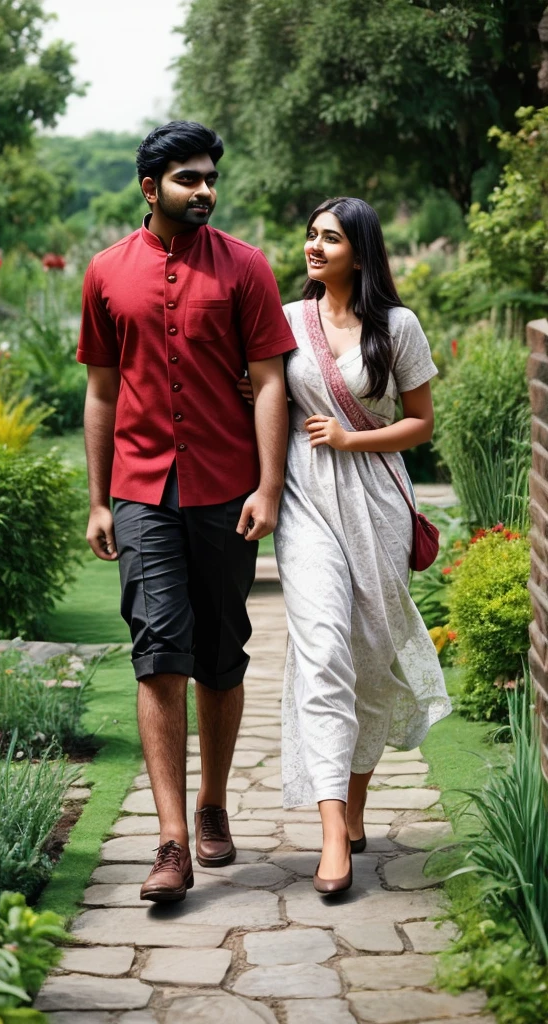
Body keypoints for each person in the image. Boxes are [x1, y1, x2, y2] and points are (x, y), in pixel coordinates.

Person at [77, 121, 297, 903]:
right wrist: (98, 499)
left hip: (225, 489)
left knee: (222, 651)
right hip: (142, 493)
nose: (204, 190)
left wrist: (267, 486)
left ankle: (212, 803)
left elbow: (270, 381)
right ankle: (171, 839)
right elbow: (101, 390)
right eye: (187, 180)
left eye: (210, 178)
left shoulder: (245, 267)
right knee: (158, 650)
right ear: (150, 188)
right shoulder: (106, 273)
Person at [240, 197, 451, 896]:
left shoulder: (398, 326)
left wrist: (355, 437)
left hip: (378, 505)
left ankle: (354, 803)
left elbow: (420, 423)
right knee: (323, 649)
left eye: (329, 238)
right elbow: (270, 393)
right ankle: (333, 832)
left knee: (365, 658)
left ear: (359, 252)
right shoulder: (287, 318)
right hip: (305, 504)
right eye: (310, 235)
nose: (313, 246)